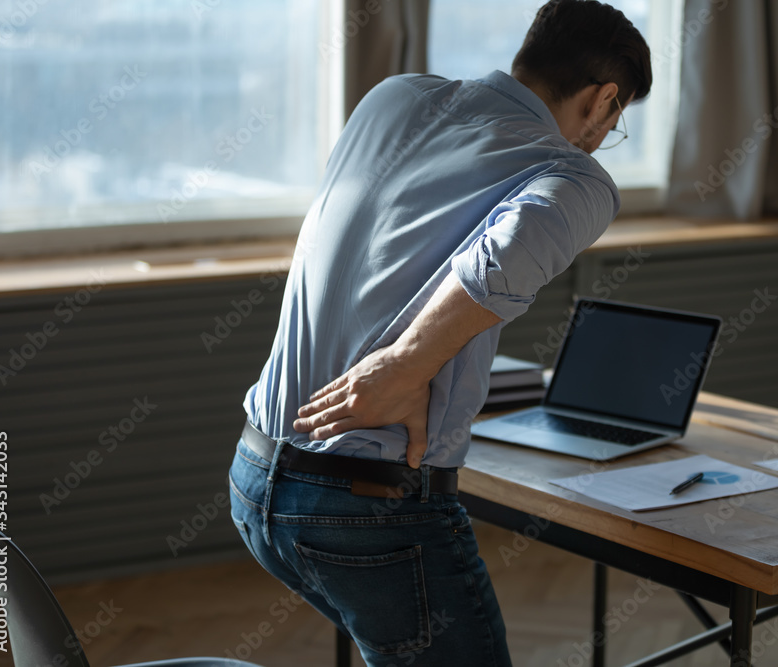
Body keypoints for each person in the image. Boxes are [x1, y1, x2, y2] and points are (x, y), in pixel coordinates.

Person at [228, 1, 651, 664]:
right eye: (616, 121)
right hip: (367, 505)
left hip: (255, 476)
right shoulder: (573, 176)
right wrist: (399, 365)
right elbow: (502, 260)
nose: (604, 137)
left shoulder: (394, 97)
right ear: (604, 100)